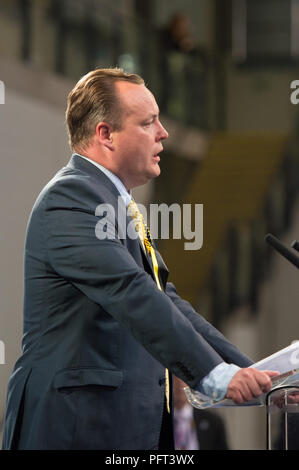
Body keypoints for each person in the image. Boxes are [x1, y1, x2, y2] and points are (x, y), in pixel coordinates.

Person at [2, 68, 279, 450]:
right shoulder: (69, 199)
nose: (163, 132)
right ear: (105, 134)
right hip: (76, 428)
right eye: (148, 122)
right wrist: (215, 374)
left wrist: (260, 375)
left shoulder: (114, 205)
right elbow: (130, 291)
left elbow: (167, 301)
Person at [173, 376, 229, 450]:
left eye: (184, 382)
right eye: (175, 382)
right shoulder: (158, 422)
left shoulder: (212, 421)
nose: (180, 387)